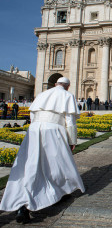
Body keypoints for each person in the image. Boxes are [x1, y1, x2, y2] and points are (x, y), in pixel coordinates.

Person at [0, 77, 85, 223]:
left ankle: (24, 203)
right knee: (56, 164)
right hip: (53, 131)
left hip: (34, 130)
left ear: (55, 84)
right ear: (68, 86)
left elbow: (33, 115)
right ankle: (42, 198)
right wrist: (72, 140)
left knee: (30, 165)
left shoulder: (41, 95)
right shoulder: (67, 95)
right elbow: (70, 121)